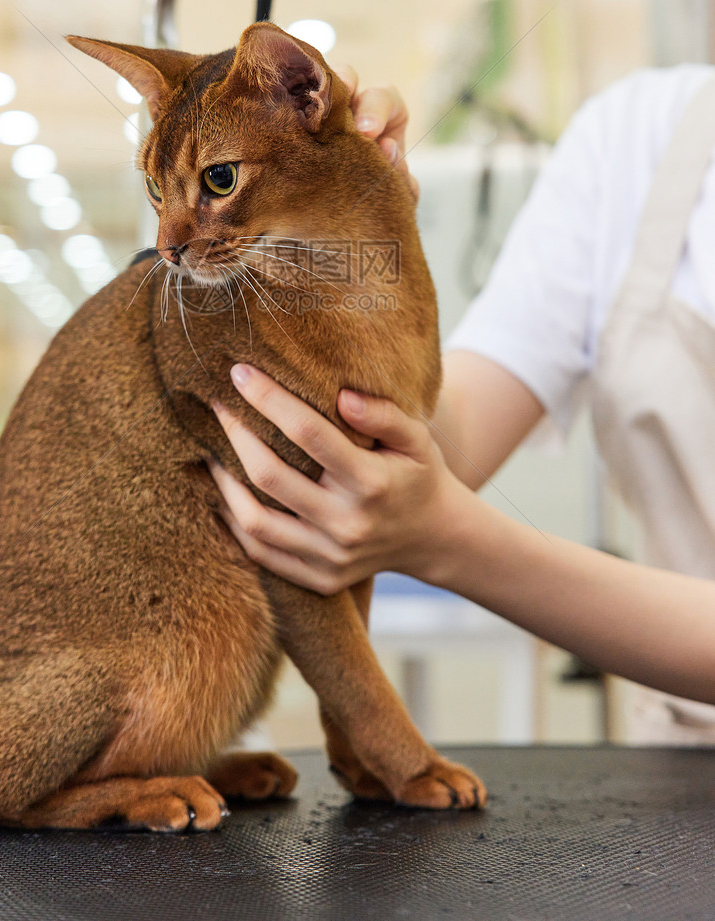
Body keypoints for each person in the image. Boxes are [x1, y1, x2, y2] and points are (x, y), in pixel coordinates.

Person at [207, 61, 715, 740]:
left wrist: (453, 540)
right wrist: (352, 232)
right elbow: (442, 435)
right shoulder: (637, 135)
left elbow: (430, 490)